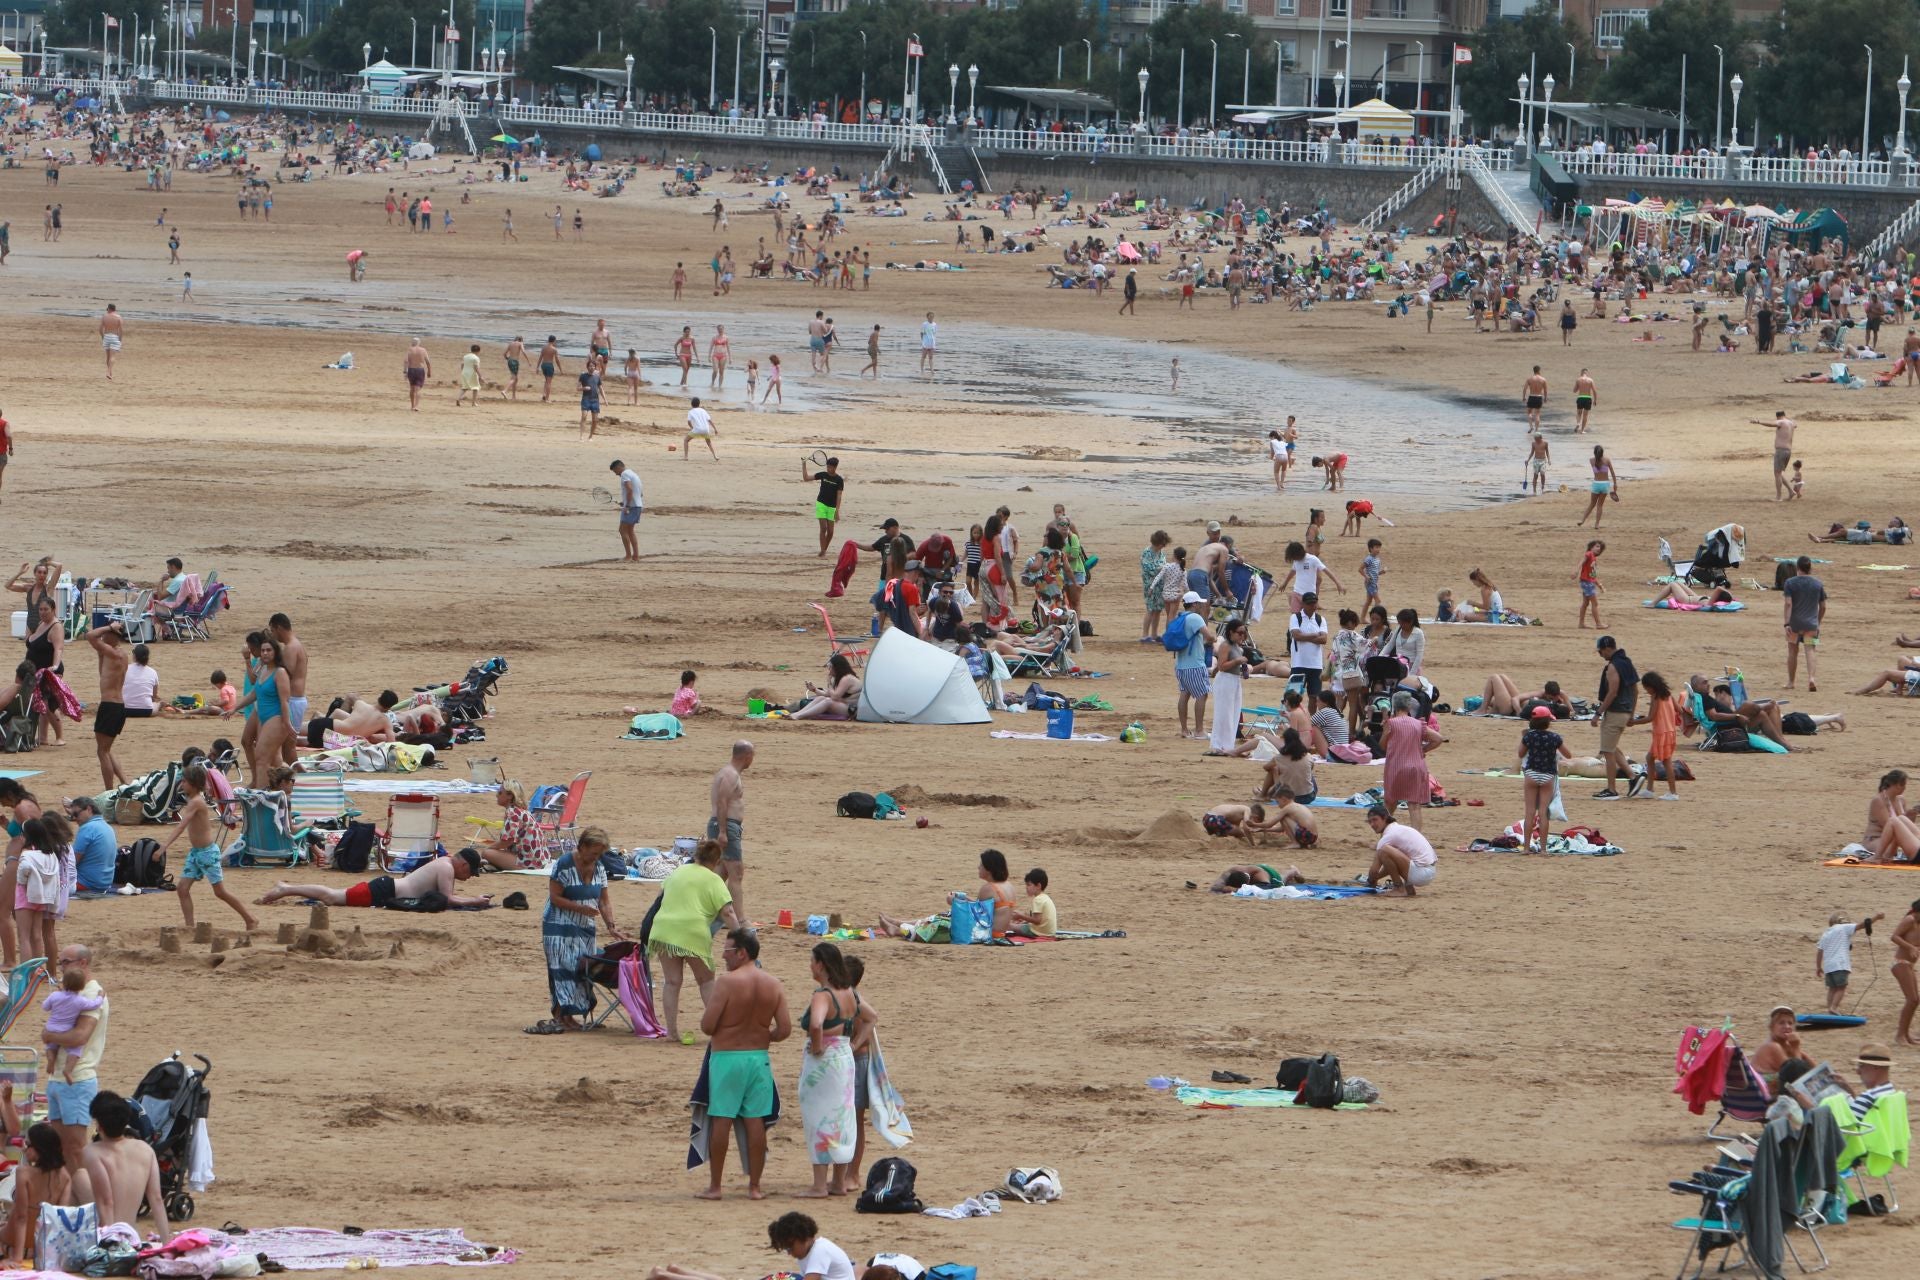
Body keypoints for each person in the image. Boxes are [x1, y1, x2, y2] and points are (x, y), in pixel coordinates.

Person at [699, 927, 790, 1200]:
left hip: (727, 1057)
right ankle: (755, 1187)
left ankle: (716, 1186)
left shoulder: (727, 982)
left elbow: (707, 1025)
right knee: (755, 1122)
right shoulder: (773, 984)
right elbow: (784, 1029)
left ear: (741, 953)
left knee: (722, 1120)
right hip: (758, 1057)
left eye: (727, 951)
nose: (724, 957)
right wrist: (765, 1036)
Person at [527, 827, 623, 1035]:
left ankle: (572, 1015)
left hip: (585, 927)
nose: (596, 857)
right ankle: (563, 1016)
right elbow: (555, 897)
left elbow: (604, 900)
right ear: (582, 847)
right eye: (594, 853)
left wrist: (611, 925)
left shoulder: (598, 867)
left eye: (599, 854)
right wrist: (580, 908)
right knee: (563, 968)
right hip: (558, 925)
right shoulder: (564, 864)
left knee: (581, 968)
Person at [647, 839, 743, 1045]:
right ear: (717, 861)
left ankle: (671, 1033)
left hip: (664, 930)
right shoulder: (714, 880)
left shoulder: (678, 872)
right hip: (692, 932)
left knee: (672, 982)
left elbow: (660, 898)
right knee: (706, 981)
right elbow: (727, 912)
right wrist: (741, 937)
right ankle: (718, 1032)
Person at [158, 764, 257, 932]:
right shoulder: (193, 801)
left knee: (220, 892)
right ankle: (190, 927)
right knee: (182, 889)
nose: (181, 784)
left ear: (193, 783)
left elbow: (181, 826)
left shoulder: (196, 802)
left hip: (207, 853)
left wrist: (164, 847)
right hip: (196, 853)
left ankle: (250, 918)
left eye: (184, 781)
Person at [797, 942, 859, 1198]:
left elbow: (815, 1023)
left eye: (812, 961)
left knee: (819, 1117)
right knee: (842, 1118)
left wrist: (819, 1044)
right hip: (844, 1057)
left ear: (821, 964)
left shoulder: (823, 994)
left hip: (825, 1062)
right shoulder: (850, 993)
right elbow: (865, 1017)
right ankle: (839, 1182)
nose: (810, 966)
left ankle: (820, 1185)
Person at [41, 946, 105, 1172]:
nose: (61, 967)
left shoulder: (90, 993)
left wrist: (49, 1035)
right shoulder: (73, 993)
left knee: (76, 1147)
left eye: (65, 962)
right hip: (58, 1078)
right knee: (60, 1147)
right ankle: (69, 1199)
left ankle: (84, 1202)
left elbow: (80, 1036)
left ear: (83, 963)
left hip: (77, 1079)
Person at [255, 848, 491, 909]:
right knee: (331, 897)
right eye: (469, 872)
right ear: (462, 864)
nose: (468, 877)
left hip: (386, 888)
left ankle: (287, 888)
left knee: (333, 895)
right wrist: (475, 900)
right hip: (384, 891)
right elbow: (449, 899)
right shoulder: (447, 867)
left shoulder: (445, 864)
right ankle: (286, 888)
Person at [77, 1092, 166, 1239]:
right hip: (132, 1236)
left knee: (78, 1177)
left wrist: (112, 1245)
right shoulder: (145, 1149)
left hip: (109, 1238)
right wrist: (166, 1242)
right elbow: (156, 1198)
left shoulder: (92, 1152)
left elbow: (106, 1202)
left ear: (99, 1126)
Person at [2, 1124, 71, 1267]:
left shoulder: (24, 1173)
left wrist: (17, 1258)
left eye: (27, 1144)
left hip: (11, 1245)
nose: (23, 1147)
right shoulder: (65, 1176)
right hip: (38, 1250)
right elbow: (59, 1221)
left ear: (38, 1149)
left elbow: (21, 1217)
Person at [1381, 692, 1443, 830]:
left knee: (1390, 804)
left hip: (1395, 767)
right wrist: (1423, 750)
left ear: (1394, 706)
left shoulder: (1391, 724)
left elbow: (1383, 746)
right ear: (1409, 707)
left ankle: (1384, 836)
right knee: (1414, 806)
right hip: (1416, 766)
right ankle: (1417, 840)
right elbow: (1438, 739)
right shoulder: (1418, 724)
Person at [1592, 635, 1641, 799]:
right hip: (1625, 712)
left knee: (1607, 751)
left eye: (1601, 652)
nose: (1601, 655)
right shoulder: (1627, 662)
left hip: (1614, 713)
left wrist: (1598, 713)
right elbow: (1635, 691)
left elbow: (1612, 692)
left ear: (1607, 648)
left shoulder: (1613, 666)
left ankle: (1611, 789)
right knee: (1612, 748)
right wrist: (1631, 714)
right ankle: (1633, 777)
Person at [84, 622, 131, 791]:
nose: (103, 637)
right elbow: (98, 648)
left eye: (107, 634)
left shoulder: (112, 653)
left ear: (115, 636)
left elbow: (90, 635)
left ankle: (109, 791)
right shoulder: (119, 654)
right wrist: (109, 629)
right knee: (107, 749)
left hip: (110, 706)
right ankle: (125, 782)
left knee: (102, 752)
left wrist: (109, 627)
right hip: (117, 706)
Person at [1517, 706, 1570, 853]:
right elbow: (1568, 755)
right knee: (1543, 813)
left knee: (1529, 812)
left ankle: (1526, 848)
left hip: (1532, 774)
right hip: (1548, 775)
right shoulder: (1554, 737)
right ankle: (1544, 849)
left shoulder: (1528, 736)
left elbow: (1521, 754)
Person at [709, 740, 752, 919]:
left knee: (722, 872)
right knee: (736, 873)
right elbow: (722, 802)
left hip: (724, 825)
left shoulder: (728, 773)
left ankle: (713, 913)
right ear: (747, 756)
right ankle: (739, 919)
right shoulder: (730, 775)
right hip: (725, 825)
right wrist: (723, 831)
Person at [40, 966, 101, 1085]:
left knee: (50, 1046)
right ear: (82, 986)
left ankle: (51, 1060)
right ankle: (68, 1070)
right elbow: (94, 1005)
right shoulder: (80, 1000)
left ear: (64, 982)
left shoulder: (55, 995)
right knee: (75, 1050)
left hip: (51, 1027)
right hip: (65, 1029)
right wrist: (101, 996)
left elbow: (45, 1007)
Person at [1364, 804, 1437, 897]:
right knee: (1391, 852)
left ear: (1385, 818)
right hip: (1428, 871)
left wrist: (1371, 881)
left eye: (1375, 820)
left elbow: (1374, 870)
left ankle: (1399, 888)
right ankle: (1408, 888)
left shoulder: (1388, 836)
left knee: (1384, 850)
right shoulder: (1398, 829)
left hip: (1421, 873)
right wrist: (1375, 878)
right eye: (1370, 822)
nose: (1372, 825)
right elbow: (1391, 865)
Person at [1818, 911, 1883, 1014]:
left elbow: (1820, 951)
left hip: (1828, 967)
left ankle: (1830, 1008)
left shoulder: (1826, 933)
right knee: (1841, 987)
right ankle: (1833, 1007)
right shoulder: (1844, 927)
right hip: (1840, 964)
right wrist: (1877, 917)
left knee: (1832, 988)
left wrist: (1818, 967)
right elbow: (1864, 924)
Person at [1171, 592, 1214, 741]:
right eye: (1199, 603)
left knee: (1185, 694)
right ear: (1194, 604)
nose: (1201, 605)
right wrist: (1212, 640)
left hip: (1181, 665)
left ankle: (1184, 729)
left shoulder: (1181, 617)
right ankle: (1199, 730)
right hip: (1194, 664)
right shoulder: (1195, 618)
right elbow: (1209, 636)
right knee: (1202, 695)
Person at [1206, 618, 1250, 756]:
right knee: (1223, 713)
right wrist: (1237, 661)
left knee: (1234, 713)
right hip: (1225, 681)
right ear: (1231, 632)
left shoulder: (1239, 647)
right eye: (1240, 633)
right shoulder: (1226, 645)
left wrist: (1243, 668)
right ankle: (1218, 745)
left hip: (1234, 681)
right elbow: (1222, 666)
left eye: (1244, 633)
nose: (1242, 636)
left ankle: (1228, 745)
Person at [767, 1212, 856, 1280]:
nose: (789, 1253)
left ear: (803, 1237)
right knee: (777, 1277)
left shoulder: (820, 1250)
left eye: (790, 1247)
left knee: (782, 1277)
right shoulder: (806, 1253)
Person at [1782, 555, 1826, 691]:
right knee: (1810, 649)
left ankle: (1791, 682)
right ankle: (1811, 678)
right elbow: (1823, 606)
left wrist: (1787, 623)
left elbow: (1788, 604)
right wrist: (1817, 622)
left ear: (1798, 568)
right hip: (1811, 624)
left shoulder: (1790, 583)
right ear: (1810, 568)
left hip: (1795, 623)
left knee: (1792, 651)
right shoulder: (1818, 584)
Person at [66, 797, 115, 894]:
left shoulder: (87, 828)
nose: (74, 818)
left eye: (76, 814)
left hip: (85, 884)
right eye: (72, 816)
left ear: (89, 809)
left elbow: (72, 863)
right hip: (104, 883)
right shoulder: (107, 827)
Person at [793, 656, 861, 721]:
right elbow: (827, 694)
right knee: (820, 698)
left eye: (830, 667)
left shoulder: (847, 678)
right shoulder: (840, 678)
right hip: (845, 706)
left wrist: (829, 683)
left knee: (828, 701)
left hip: (853, 710)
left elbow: (835, 697)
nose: (829, 670)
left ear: (837, 667)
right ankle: (797, 713)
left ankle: (799, 716)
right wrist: (814, 689)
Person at [1752, 410, 1798, 501]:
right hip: (1788, 451)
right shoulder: (1791, 423)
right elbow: (1795, 424)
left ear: (1777, 417)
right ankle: (1791, 491)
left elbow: (1772, 424)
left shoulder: (1781, 422)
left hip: (1781, 451)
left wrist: (1758, 422)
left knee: (1777, 474)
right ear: (1785, 415)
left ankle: (1778, 497)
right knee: (1779, 473)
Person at [804, 457, 844, 557]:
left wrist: (837, 510)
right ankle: (823, 551)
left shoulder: (839, 480)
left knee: (830, 532)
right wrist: (804, 464)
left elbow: (839, 495)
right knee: (824, 528)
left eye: (830, 467)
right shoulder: (823, 475)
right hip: (821, 504)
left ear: (835, 467)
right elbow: (806, 478)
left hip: (832, 507)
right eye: (827, 466)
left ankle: (824, 548)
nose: (828, 468)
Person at [1577, 446, 1618, 530]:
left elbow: (1597, 461)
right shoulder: (1607, 460)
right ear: (1602, 452)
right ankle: (1597, 524)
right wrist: (1615, 483)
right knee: (1599, 505)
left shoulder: (1591, 460)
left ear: (1594, 453)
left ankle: (1582, 520)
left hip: (1596, 484)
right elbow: (1613, 473)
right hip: (1605, 484)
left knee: (1592, 504)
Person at [1008, 868, 1057, 938]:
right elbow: (1040, 919)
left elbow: (1037, 920)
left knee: (1010, 926)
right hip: (1049, 932)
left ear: (1038, 886)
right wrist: (1025, 920)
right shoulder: (1045, 897)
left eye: (1029, 885)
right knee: (1020, 925)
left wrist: (1021, 916)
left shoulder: (1038, 900)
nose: (1026, 888)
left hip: (1039, 932)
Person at [611, 458, 643, 562]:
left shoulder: (625, 474)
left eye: (615, 471)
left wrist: (627, 506)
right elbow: (640, 493)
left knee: (622, 530)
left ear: (618, 467)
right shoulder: (634, 474)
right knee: (630, 531)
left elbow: (629, 489)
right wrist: (625, 502)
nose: (616, 474)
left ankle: (628, 556)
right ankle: (635, 556)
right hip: (638, 505)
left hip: (632, 507)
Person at [1576, 540, 1605, 630]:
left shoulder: (1593, 559)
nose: (1598, 549)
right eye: (1596, 546)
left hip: (1587, 582)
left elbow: (1592, 575)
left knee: (1585, 603)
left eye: (1600, 548)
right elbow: (1582, 561)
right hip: (1587, 583)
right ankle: (1598, 624)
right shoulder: (1589, 554)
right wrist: (1576, 571)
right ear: (1591, 547)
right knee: (1595, 603)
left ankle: (1581, 624)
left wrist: (1599, 585)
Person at [402, 336, 430, 411]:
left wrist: (405, 371)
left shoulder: (409, 350)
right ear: (419, 343)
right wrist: (429, 371)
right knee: (417, 389)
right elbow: (427, 361)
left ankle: (412, 406)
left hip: (411, 370)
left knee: (412, 388)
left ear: (412, 343)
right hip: (420, 370)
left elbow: (406, 361)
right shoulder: (423, 350)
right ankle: (416, 406)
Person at [98, 304, 123, 380]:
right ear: (114, 309)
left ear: (109, 309)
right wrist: (120, 339)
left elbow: (100, 329)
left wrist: (103, 336)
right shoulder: (119, 318)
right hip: (115, 336)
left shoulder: (104, 317)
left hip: (107, 336)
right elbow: (121, 330)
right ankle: (109, 372)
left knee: (108, 356)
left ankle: (110, 372)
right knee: (112, 356)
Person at [1521, 365, 1547, 430]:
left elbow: (1525, 389)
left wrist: (1524, 397)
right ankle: (1537, 429)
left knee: (1529, 412)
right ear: (1539, 370)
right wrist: (1545, 398)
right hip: (1539, 397)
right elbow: (1545, 390)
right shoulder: (1543, 379)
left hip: (1531, 397)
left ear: (1533, 371)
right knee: (1537, 414)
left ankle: (1531, 426)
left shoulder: (1530, 379)